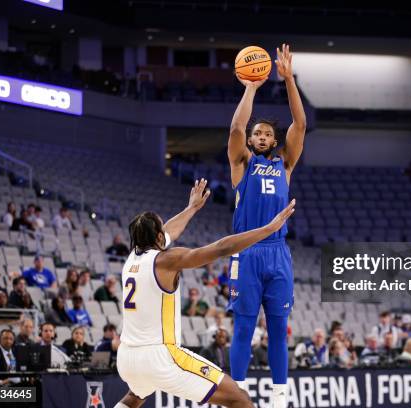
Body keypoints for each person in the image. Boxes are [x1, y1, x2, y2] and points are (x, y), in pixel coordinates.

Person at [114, 178, 294, 408]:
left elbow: (169, 231)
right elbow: (221, 248)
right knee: (239, 398)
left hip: (128, 358)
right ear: (158, 238)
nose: (165, 232)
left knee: (135, 397)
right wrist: (269, 229)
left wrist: (191, 209)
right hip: (160, 356)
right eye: (161, 230)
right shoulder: (166, 260)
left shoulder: (131, 259)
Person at [226, 43, 306, 407]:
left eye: (265, 134)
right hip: (246, 252)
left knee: (277, 330)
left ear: (274, 142)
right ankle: (236, 394)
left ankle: (278, 397)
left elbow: (300, 124)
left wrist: (289, 80)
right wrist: (251, 86)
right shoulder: (242, 163)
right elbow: (236, 127)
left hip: (278, 254)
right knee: (243, 328)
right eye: (256, 133)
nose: (259, 136)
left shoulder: (284, 165)